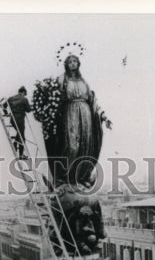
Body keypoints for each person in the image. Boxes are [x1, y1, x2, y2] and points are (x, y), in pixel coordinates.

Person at [40, 52, 111, 187]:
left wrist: (104, 116)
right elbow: (53, 96)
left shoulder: (84, 81)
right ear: (66, 65)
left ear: (78, 64)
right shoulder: (62, 79)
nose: (73, 63)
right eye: (70, 61)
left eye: (75, 61)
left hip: (86, 115)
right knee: (72, 145)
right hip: (70, 114)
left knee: (86, 145)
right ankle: (64, 176)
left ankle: (82, 176)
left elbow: (93, 101)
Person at [7, 86, 31, 159]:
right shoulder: (24, 99)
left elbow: (4, 106)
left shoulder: (10, 98)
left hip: (13, 120)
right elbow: (28, 110)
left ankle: (15, 144)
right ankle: (21, 154)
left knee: (19, 133)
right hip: (20, 119)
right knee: (22, 137)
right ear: (23, 92)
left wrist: (6, 112)